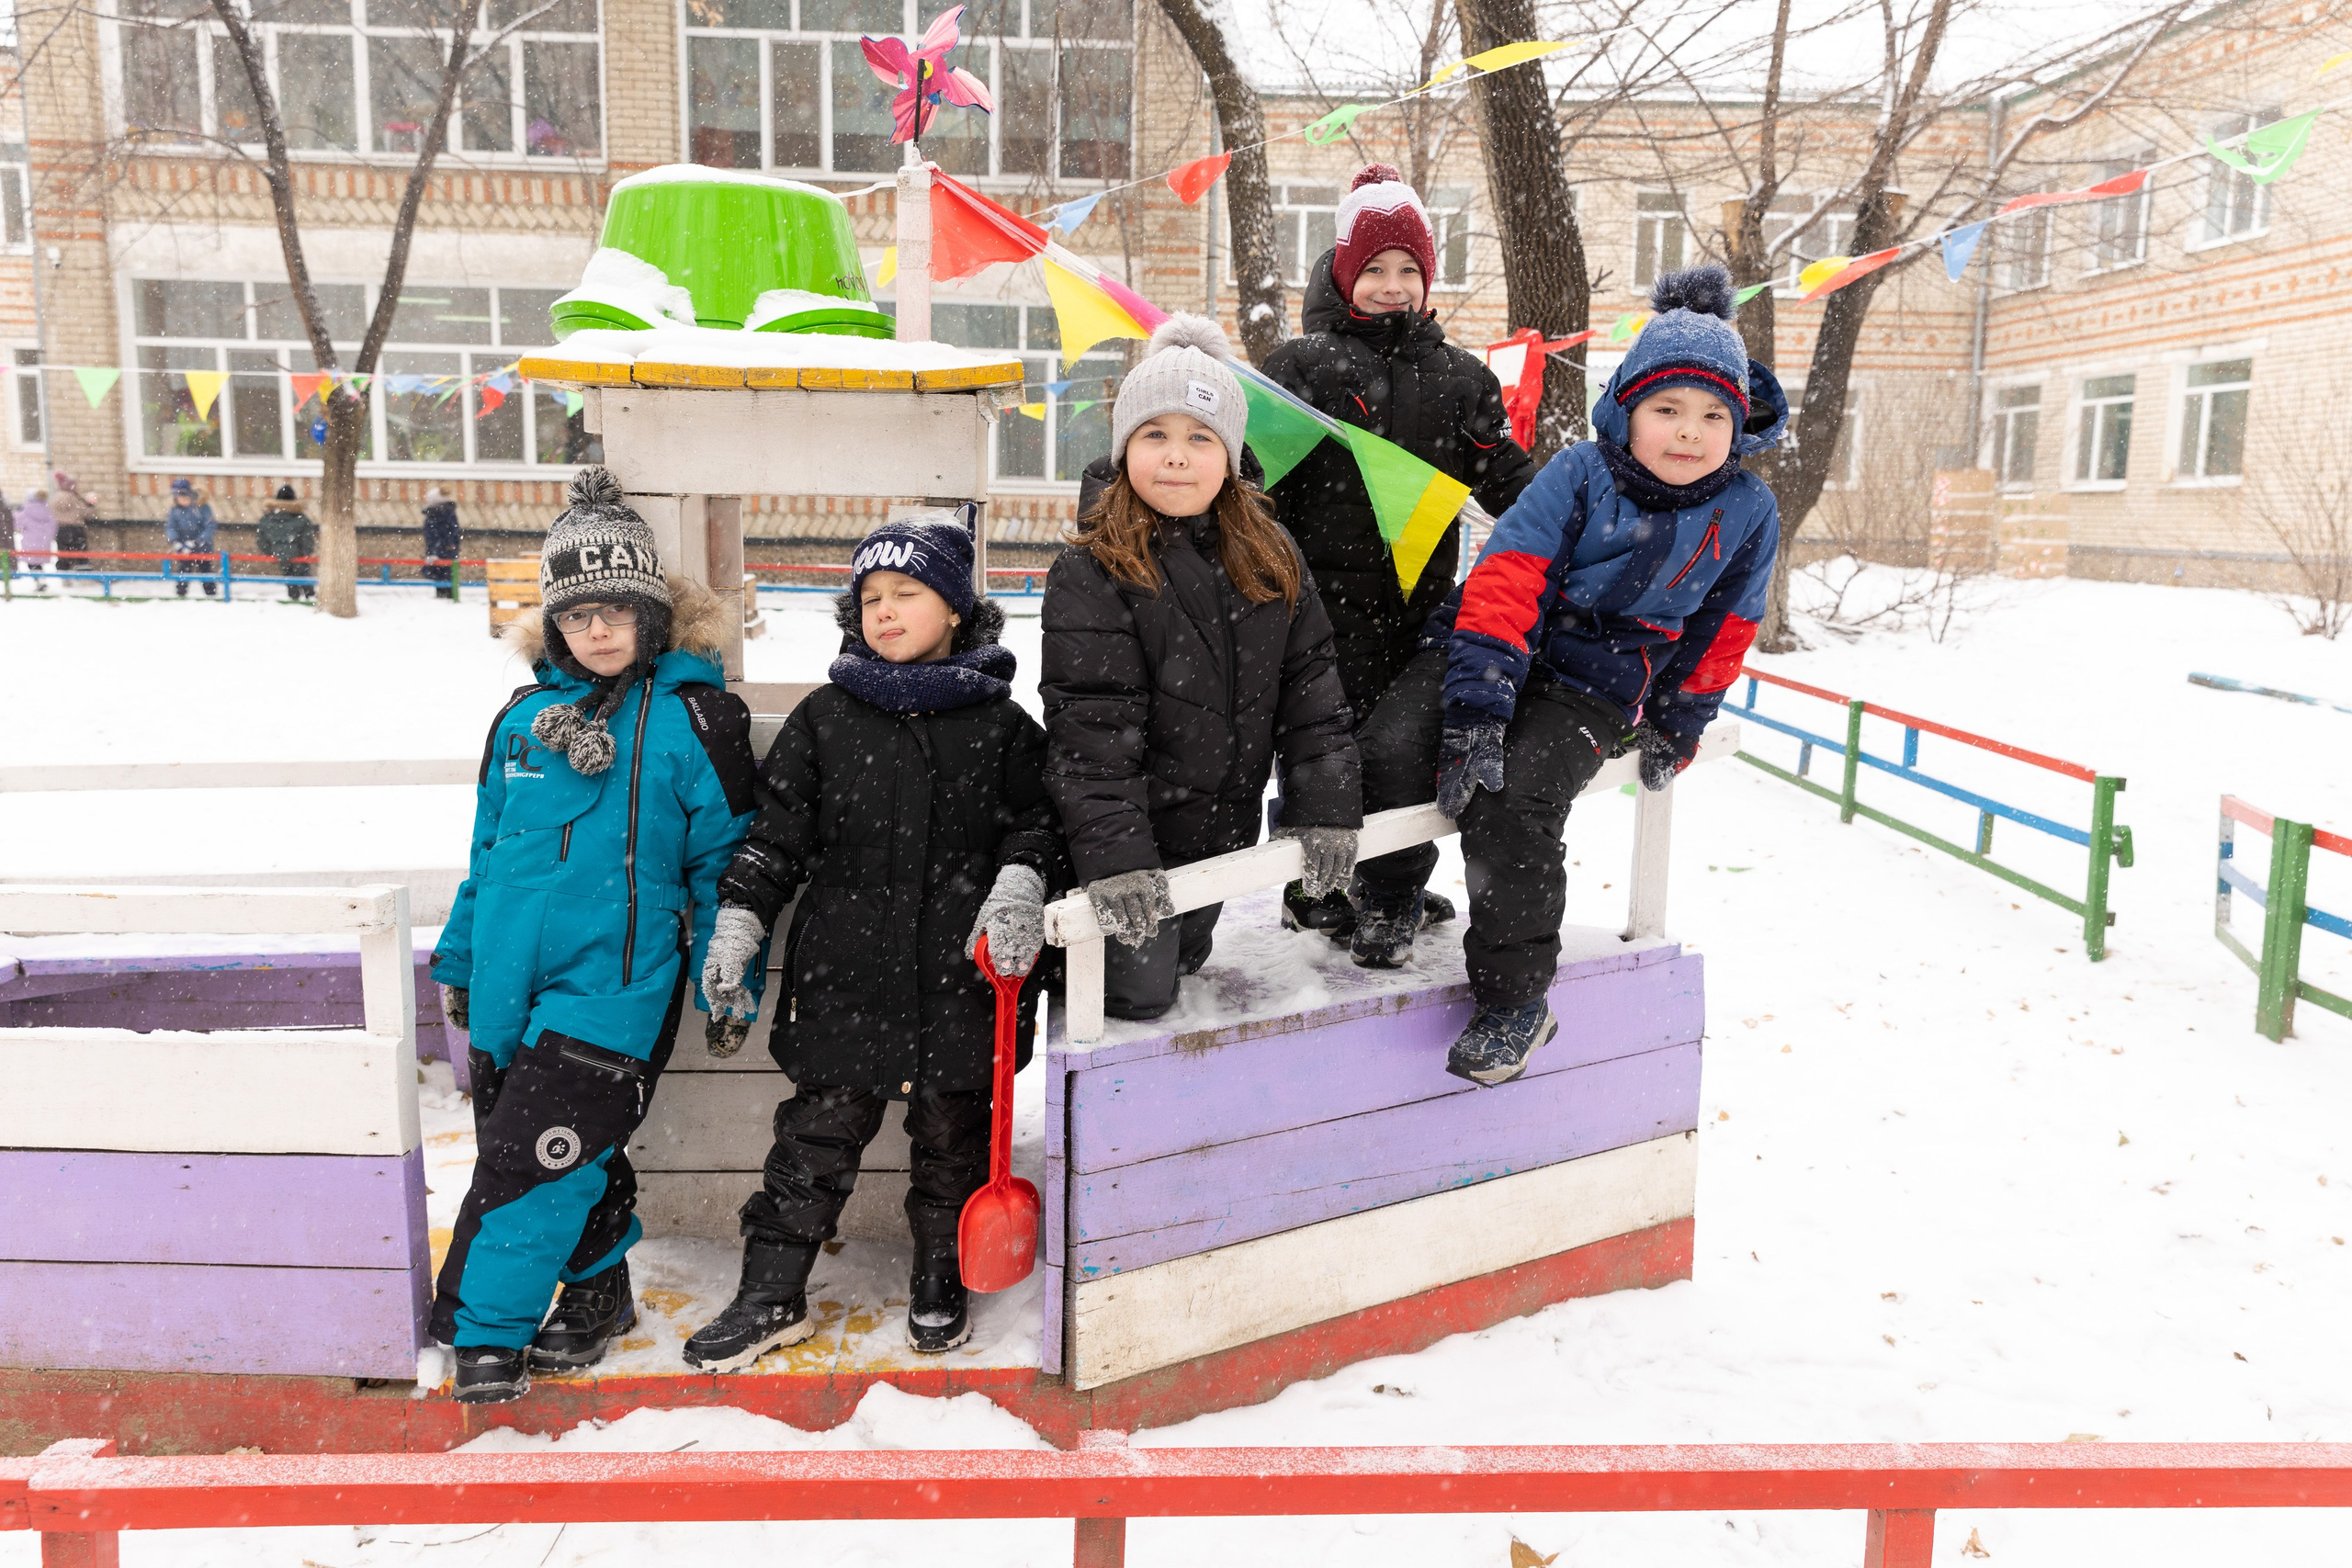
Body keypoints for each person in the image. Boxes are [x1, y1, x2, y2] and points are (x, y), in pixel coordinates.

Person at [1353, 265, 1786, 1087]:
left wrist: (1679, 719)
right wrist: (1477, 703)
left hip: (1597, 682)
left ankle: (1516, 1000)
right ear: (1627, 409)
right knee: (1394, 744)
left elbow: (1726, 625)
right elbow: (1510, 575)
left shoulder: (1746, 511)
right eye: (1667, 409)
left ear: (1739, 426)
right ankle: (1389, 892)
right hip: (1488, 642)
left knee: (1513, 800)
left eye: (1713, 415)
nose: (1689, 433)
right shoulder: (1582, 472)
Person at [685, 514, 1064, 1371]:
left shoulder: (1004, 727)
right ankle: (770, 1292)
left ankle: (940, 1279)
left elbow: (1042, 827)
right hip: (844, 980)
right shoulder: (826, 718)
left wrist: (1020, 881)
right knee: (809, 1146)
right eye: (870, 598)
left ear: (958, 610)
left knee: (953, 1145)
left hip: (961, 986)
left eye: (907, 593)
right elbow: (775, 836)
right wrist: (741, 918)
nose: (885, 611)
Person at [426, 467, 760, 1404]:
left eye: (616, 609)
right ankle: (600, 1290)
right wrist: (461, 959)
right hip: (507, 980)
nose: (599, 630)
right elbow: (488, 852)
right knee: (556, 1148)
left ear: (650, 614)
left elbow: (727, 864)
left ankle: (485, 1333)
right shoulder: (522, 722)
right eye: (578, 615)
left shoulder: (697, 719)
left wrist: (728, 971)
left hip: (616, 984)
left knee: (536, 1155)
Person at [1040, 314, 1363, 1021]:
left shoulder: (1271, 553)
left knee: (1186, 963)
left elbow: (1312, 695)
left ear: (1231, 455)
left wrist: (1323, 806)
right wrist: (1120, 862)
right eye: (1155, 434)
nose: (1177, 456)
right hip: (1124, 843)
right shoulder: (1092, 567)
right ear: (1125, 449)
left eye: (1200, 437)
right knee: (1136, 998)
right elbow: (1091, 736)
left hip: (1219, 835)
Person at [1260, 163, 1538, 941]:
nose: (1392, 285)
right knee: (1320, 751)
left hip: (1419, 607)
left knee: (1406, 753)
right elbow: (1255, 488)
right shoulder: (1301, 369)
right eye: (1375, 268)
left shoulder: (1463, 378)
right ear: (1345, 274)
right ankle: (1312, 886)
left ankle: (1392, 886)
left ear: (1428, 278)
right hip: (1316, 610)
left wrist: (1568, 506)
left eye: (1408, 270)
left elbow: (1506, 477)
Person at [256, 484, 317, 603]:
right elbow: (307, 540)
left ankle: (293, 598)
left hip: (279, 554)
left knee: (289, 577)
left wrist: (272, 552)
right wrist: (305, 554)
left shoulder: (267, 519)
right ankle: (310, 598)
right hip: (298, 555)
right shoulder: (301, 519)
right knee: (304, 576)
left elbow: (261, 540)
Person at [164, 478, 218, 598]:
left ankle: (211, 595)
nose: (182, 499)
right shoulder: (175, 510)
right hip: (184, 549)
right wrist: (175, 541)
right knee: (183, 572)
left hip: (203, 548)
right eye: (178, 497)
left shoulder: (202, 507)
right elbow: (170, 527)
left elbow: (210, 526)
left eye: (184, 496)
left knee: (206, 572)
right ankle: (181, 594)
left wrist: (199, 541)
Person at [50, 471, 94, 574]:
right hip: (76, 529)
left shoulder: (55, 498)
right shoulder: (74, 498)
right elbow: (86, 513)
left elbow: (51, 513)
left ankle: (63, 574)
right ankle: (83, 574)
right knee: (81, 554)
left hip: (62, 529)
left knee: (63, 554)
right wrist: (91, 505)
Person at [423, 485, 462, 601]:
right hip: (444, 548)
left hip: (442, 548)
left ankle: (445, 594)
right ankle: (447, 594)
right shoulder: (444, 513)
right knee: (444, 572)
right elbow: (452, 531)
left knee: (442, 572)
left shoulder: (437, 514)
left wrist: (435, 549)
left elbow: (437, 533)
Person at [13, 489, 54, 592]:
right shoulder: (47, 509)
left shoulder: (27, 509)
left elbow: (18, 523)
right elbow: (53, 525)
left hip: (30, 540)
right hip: (44, 541)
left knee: (32, 563)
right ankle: (41, 579)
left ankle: (39, 580)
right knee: (38, 562)